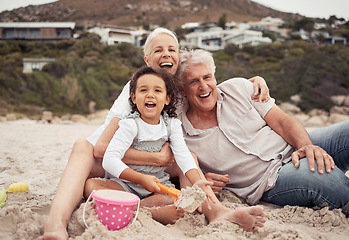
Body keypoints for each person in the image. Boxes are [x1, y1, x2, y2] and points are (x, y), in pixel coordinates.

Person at [38, 27, 269, 240]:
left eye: (172, 50)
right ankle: (56, 225)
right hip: (110, 157)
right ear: (147, 60)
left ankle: (216, 211)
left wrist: (251, 82)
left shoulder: (181, 89)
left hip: (150, 167)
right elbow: (101, 148)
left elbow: (208, 85)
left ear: (178, 58)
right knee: (82, 146)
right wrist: (157, 159)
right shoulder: (137, 89)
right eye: (158, 50)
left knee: (190, 158)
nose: (166, 54)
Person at [176, 49, 349, 215]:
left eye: (207, 77)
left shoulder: (238, 88)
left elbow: (282, 122)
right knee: (320, 175)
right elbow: (177, 175)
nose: (203, 86)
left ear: (214, 77)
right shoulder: (181, 135)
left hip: (292, 144)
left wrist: (306, 146)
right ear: (183, 89)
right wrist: (203, 178)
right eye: (194, 81)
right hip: (269, 181)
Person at [84, 66, 216, 208]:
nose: (150, 95)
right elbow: (109, 160)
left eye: (157, 90)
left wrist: (196, 181)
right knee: (91, 186)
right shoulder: (130, 125)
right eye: (143, 90)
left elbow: (183, 155)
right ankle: (143, 207)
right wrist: (141, 179)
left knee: (176, 199)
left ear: (167, 99)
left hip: (158, 185)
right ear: (134, 98)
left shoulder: (172, 125)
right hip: (126, 184)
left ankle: (136, 206)